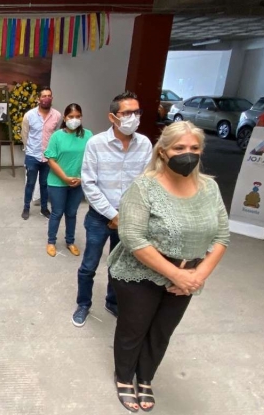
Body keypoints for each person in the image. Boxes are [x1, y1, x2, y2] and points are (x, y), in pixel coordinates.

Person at [108, 121, 229, 412]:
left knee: (162, 331)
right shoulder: (145, 187)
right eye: (179, 148)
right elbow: (132, 237)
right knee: (133, 329)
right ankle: (124, 377)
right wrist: (175, 274)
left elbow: (222, 236)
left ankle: (145, 377)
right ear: (163, 152)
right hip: (141, 273)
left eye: (194, 148)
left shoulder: (209, 188)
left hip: (187, 276)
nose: (187, 153)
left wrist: (197, 276)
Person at [72, 91, 152, 327]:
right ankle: (83, 304)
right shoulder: (96, 144)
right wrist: (113, 215)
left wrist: (128, 216)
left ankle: (112, 302)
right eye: (126, 113)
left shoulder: (145, 144)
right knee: (89, 265)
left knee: (119, 267)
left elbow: (147, 182)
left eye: (137, 112)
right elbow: (89, 184)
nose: (133, 117)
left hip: (130, 218)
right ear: (112, 117)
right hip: (100, 217)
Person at [44, 104, 93, 258]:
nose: (74, 119)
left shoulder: (88, 135)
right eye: (71, 117)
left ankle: (70, 241)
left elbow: (91, 159)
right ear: (65, 118)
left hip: (78, 182)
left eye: (78, 116)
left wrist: (82, 178)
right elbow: (51, 160)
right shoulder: (57, 136)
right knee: (57, 213)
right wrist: (64, 177)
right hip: (57, 182)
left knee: (71, 213)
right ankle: (51, 242)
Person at [20, 86, 62, 220]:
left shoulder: (57, 115)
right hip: (32, 155)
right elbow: (25, 134)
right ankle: (26, 207)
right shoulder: (29, 115)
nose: (46, 98)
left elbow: (55, 134)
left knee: (45, 184)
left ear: (52, 98)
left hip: (48, 156)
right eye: (44, 96)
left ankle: (44, 209)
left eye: (49, 95)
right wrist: (28, 149)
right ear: (39, 99)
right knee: (30, 183)